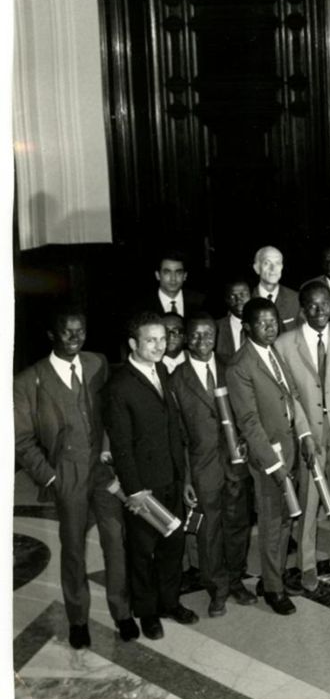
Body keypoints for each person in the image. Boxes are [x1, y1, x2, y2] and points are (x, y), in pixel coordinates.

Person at [15, 308, 137, 648]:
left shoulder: (97, 362)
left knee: (116, 541)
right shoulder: (29, 381)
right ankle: (78, 619)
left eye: (80, 331)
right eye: (67, 332)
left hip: (102, 468)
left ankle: (122, 612)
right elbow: (20, 439)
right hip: (66, 473)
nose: (74, 337)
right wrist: (51, 479)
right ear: (52, 335)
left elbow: (111, 411)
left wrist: (110, 452)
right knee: (73, 550)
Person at [104, 311, 197, 639]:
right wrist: (134, 490)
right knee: (143, 552)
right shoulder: (119, 386)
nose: (160, 345)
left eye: (163, 339)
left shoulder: (162, 371)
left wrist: (182, 476)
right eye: (151, 340)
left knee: (173, 544)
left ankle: (169, 602)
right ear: (133, 343)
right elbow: (121, 444)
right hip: (144, 486)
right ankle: (147, 612)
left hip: (171, 477)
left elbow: (173, 429)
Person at [226, 299, 313, 615]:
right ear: (247, 327)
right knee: (272, 522)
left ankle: (271, 576)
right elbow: (248, 422)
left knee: (287, 517)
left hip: (289, 447)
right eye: (262, 323)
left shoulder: (273, 351)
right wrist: (275, 466)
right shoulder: (240, 365)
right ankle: (273, 591)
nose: (270, 327)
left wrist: (303, 436)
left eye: (273, 321)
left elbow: (289, 398)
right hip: (268, 459)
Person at [168, 314, 256, 616]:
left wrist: (244, 439)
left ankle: (236, 581)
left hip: (236, 464)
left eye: (208, 335)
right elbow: (176, 434)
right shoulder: (176, 379)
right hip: (202, 468)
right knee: (209, 532)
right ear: (184, 338)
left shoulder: (231, 368)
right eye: (194, 335)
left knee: (238, 526)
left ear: (216, 337)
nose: (202, 341)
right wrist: (187, 479)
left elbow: (247, 411)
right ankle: (216, 589)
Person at [274, 282, 330, 589]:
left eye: (326, 305)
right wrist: (304, 432)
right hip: (307, 432)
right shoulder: (284, 344)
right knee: (309, 500)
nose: (320, 312)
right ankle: (307, 564)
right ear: (302, 310)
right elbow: (289, 394)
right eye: (313, 306)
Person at [252, 245, 300, 330]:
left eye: (277, 263)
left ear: (282, 267)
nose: (273, 269)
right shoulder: (247, 299)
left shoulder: (295, 299)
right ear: (257, 268)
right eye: (267, 263)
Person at [146, 250, 206, 317]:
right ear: (157, 275)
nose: (173, 278)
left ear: (185, 276)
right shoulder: (144, 306)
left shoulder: (201, 302)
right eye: (167, 272)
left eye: (178, 273)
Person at [216, 277, 252, 364]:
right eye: (232, 296)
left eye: (243, 294)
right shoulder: (217, 327)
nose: (239, 300)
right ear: (226, 300)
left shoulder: (263, 324)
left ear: (251, 295)